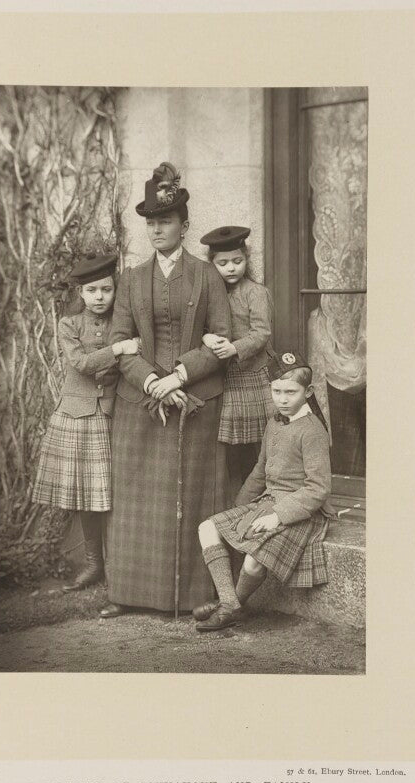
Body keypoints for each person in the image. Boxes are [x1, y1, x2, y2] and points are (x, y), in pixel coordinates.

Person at [100, 162, 232, 618]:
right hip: (141, 403)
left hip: (196, 401)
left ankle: (197, 595)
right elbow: (119, 344)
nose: (157, 230)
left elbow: (222, 339)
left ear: (184, 225)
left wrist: (180, 376)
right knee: (138, 499)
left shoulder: (207, 275)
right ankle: (129, 593)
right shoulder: (133, 279)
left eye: (166, 222)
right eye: (151, 222)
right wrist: (154, 381)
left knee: (195, 495)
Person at [193, 350, 334, 632]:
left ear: (309, 392)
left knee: (254, 560)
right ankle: (229, 602)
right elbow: (260, 470)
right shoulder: (274, 422)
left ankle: (230, 605)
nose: (282, 399)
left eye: (291, 392)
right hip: (267, 501)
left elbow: (319, 488)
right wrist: (239, 508)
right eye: (277, 391)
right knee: (208, 527)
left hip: (300, 511)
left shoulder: (313, 431)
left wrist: (278, 517)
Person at [32, 253, 141, 591]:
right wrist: (119, 349)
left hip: (115, 412)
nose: (99, 297)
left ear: (114, 290)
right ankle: (94, 563)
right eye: (92, 290)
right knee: (87, 494)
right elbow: (80, 364)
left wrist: (119, 349)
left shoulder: (122, 324)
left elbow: (125, 361)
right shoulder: (69, 324)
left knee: (119, 490)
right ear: (81, 293)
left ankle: (122, 563)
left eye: (106, 290)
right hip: (78, 414)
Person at [200, 225, 275, 499]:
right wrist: (206, 338)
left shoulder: (255, 292)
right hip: (224, 380)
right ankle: (234, 504)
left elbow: (262, 333)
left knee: (256, 447)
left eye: (237, 261)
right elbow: (200, 326)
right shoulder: (209, 295)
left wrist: (234, 348)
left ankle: (258, 499)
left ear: (247, 259)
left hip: (252, 376)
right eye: (222, 263)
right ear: (212, 264)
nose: (230, 268)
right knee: (229, 448)